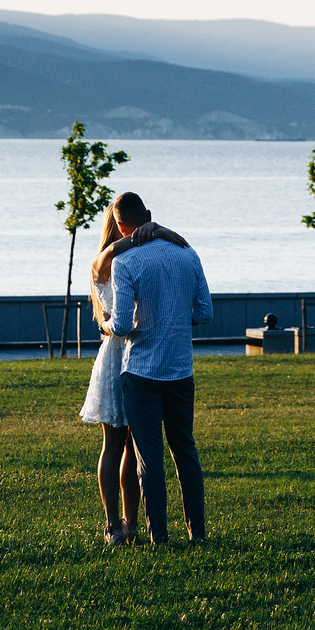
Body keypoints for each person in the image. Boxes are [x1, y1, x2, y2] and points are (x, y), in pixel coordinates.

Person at [79, 206, 195, 547]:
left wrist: (160, 233)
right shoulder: (104, 260)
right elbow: (113, 252)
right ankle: (112, 524)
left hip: (140, 353)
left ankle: (131, 521)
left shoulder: (138, 256)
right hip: (116, 355)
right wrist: (157, 231)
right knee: (114, 441)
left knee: (137, 445)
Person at [101, 190, 213, 545]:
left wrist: (105, 325)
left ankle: (158, 536)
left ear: (120, 226)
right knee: (185, 452)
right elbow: (204, 313)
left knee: (149, 457)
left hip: (143, 373)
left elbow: (120, 325)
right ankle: (198, 533)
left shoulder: (126, 262)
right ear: (149, 214)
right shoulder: (187, 253)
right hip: (181, 370)